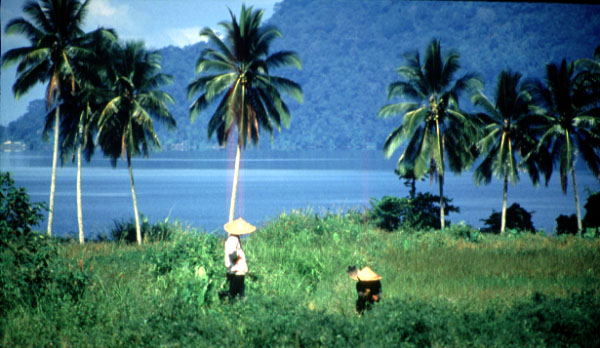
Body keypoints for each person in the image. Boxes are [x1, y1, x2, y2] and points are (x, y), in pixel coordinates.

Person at [224, 217, 256, 299]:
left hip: (236, 269)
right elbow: (231, 253)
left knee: (238, 289)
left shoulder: (234, 238)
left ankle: (236, 304)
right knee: (235, 291)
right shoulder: (233, 239)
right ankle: (232, 304)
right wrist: (237, 258)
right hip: (236, 269)